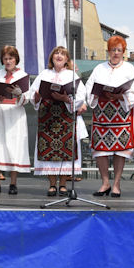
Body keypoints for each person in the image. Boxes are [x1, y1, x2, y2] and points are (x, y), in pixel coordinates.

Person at [84, 35, 134, 197]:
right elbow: (89, 87)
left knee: (120, 150)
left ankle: (116, 184)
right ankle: (105, 183)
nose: (116, 53)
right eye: (113, 50)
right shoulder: (99, 68)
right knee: (101, 149)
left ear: (123, 52)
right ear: (108, 51)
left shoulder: (129, 68)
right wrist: (98, 93)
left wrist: (121, 96)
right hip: (102, 113)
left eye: (119, 50)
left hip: (121, 114)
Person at [30, 46, 86, 197]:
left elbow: (81, 95)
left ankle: (63, 184)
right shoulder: (44, 74)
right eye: (56, 53)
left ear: (67, 59)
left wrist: (65, 98)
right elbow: (33, 94)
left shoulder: (71, 75)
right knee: (48, 149)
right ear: (52, 58)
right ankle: (52, 184)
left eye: (63, 54)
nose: (59, 56)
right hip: (47, 117)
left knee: (65, 149)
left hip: (65, 117)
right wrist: (36, 96)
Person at [0, 45, 31, 195]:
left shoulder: (23, 75)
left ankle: (13, 183)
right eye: (5, 58)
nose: (8, 61)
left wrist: (19, 94)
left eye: (11, 58)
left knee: (15, 147)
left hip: (15, 115)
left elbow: (27, 99)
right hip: (0, 113)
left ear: (16, 59)